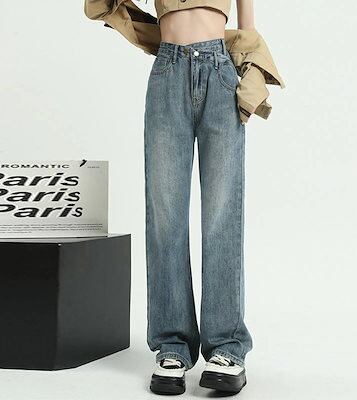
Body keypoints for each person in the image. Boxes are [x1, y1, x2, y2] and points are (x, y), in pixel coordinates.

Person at [84, 0, 284, 395]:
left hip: (220, 72)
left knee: (222, 217)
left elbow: (247, 26)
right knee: (165, 217)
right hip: (168, 71)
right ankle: (172, 344)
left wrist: (250, 72)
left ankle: (227, 347)